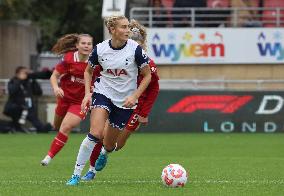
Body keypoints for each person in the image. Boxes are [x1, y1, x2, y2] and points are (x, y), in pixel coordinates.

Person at [66, 15, 151, 186]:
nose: (128, 30)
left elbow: (148, 76)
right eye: (123, 27)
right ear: (112, 30)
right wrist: (87, 94)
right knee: (95, 133)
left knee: (111, 144)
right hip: (103, 93)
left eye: (128, 27)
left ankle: (105, 152)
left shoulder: (136, 50)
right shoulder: (100, 49)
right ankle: (75, 175)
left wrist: (134, 96)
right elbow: (88, 71)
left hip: (125, 101)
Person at [40, 33, 102, 166]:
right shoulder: (69, 59)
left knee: (66, 126)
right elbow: (54, 76)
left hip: (80, 102)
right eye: (83, 43)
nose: (86, 46)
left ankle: (48, 157)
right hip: (64, 99)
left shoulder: (95, 63)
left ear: (92, 46)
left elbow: (101, 79)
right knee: (56, 126)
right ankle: (55, 146)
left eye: (89, 44)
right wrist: (56, 88)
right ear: (77, 45)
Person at [3, 66, 52, 133]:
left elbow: (38, 92)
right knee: (16, 123)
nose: (26, 74)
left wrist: (33, 80)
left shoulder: (29, 81)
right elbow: (12, 91)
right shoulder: (13, 81)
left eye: (27, 72)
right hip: (16, 107)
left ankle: (43, 129)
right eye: (24, 73)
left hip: (28, 108)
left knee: (38, 125)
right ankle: (13, 128)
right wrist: (20, 80)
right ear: (17, 74)